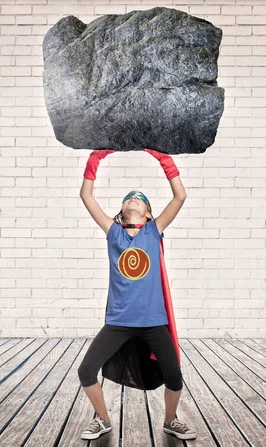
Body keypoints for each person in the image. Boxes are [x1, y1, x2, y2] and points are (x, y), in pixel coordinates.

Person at [77, 148, 196, 440]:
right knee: (86, 371)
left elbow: (180, 197)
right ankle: (102, 419)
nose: (134, 197)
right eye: (129, 197)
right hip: (119, 320)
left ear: (148, 213)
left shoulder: (154, 230)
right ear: (121, 210)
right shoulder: (113, 232)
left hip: (153, 321)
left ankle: (170, 420)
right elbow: (86, 197)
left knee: (174, 376)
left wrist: (164, 160)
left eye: (140, 198)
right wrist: (95, 159)